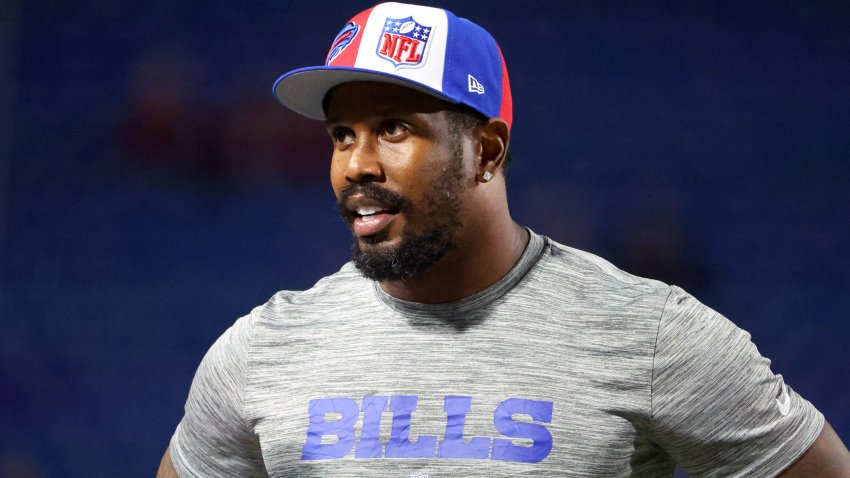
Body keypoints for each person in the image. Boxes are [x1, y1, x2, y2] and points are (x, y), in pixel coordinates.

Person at [158, 3, 850, 477]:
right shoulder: (261, 352)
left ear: (486, 151)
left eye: (395, 128)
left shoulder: (650, 336)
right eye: (343, 134)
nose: (356, 164)